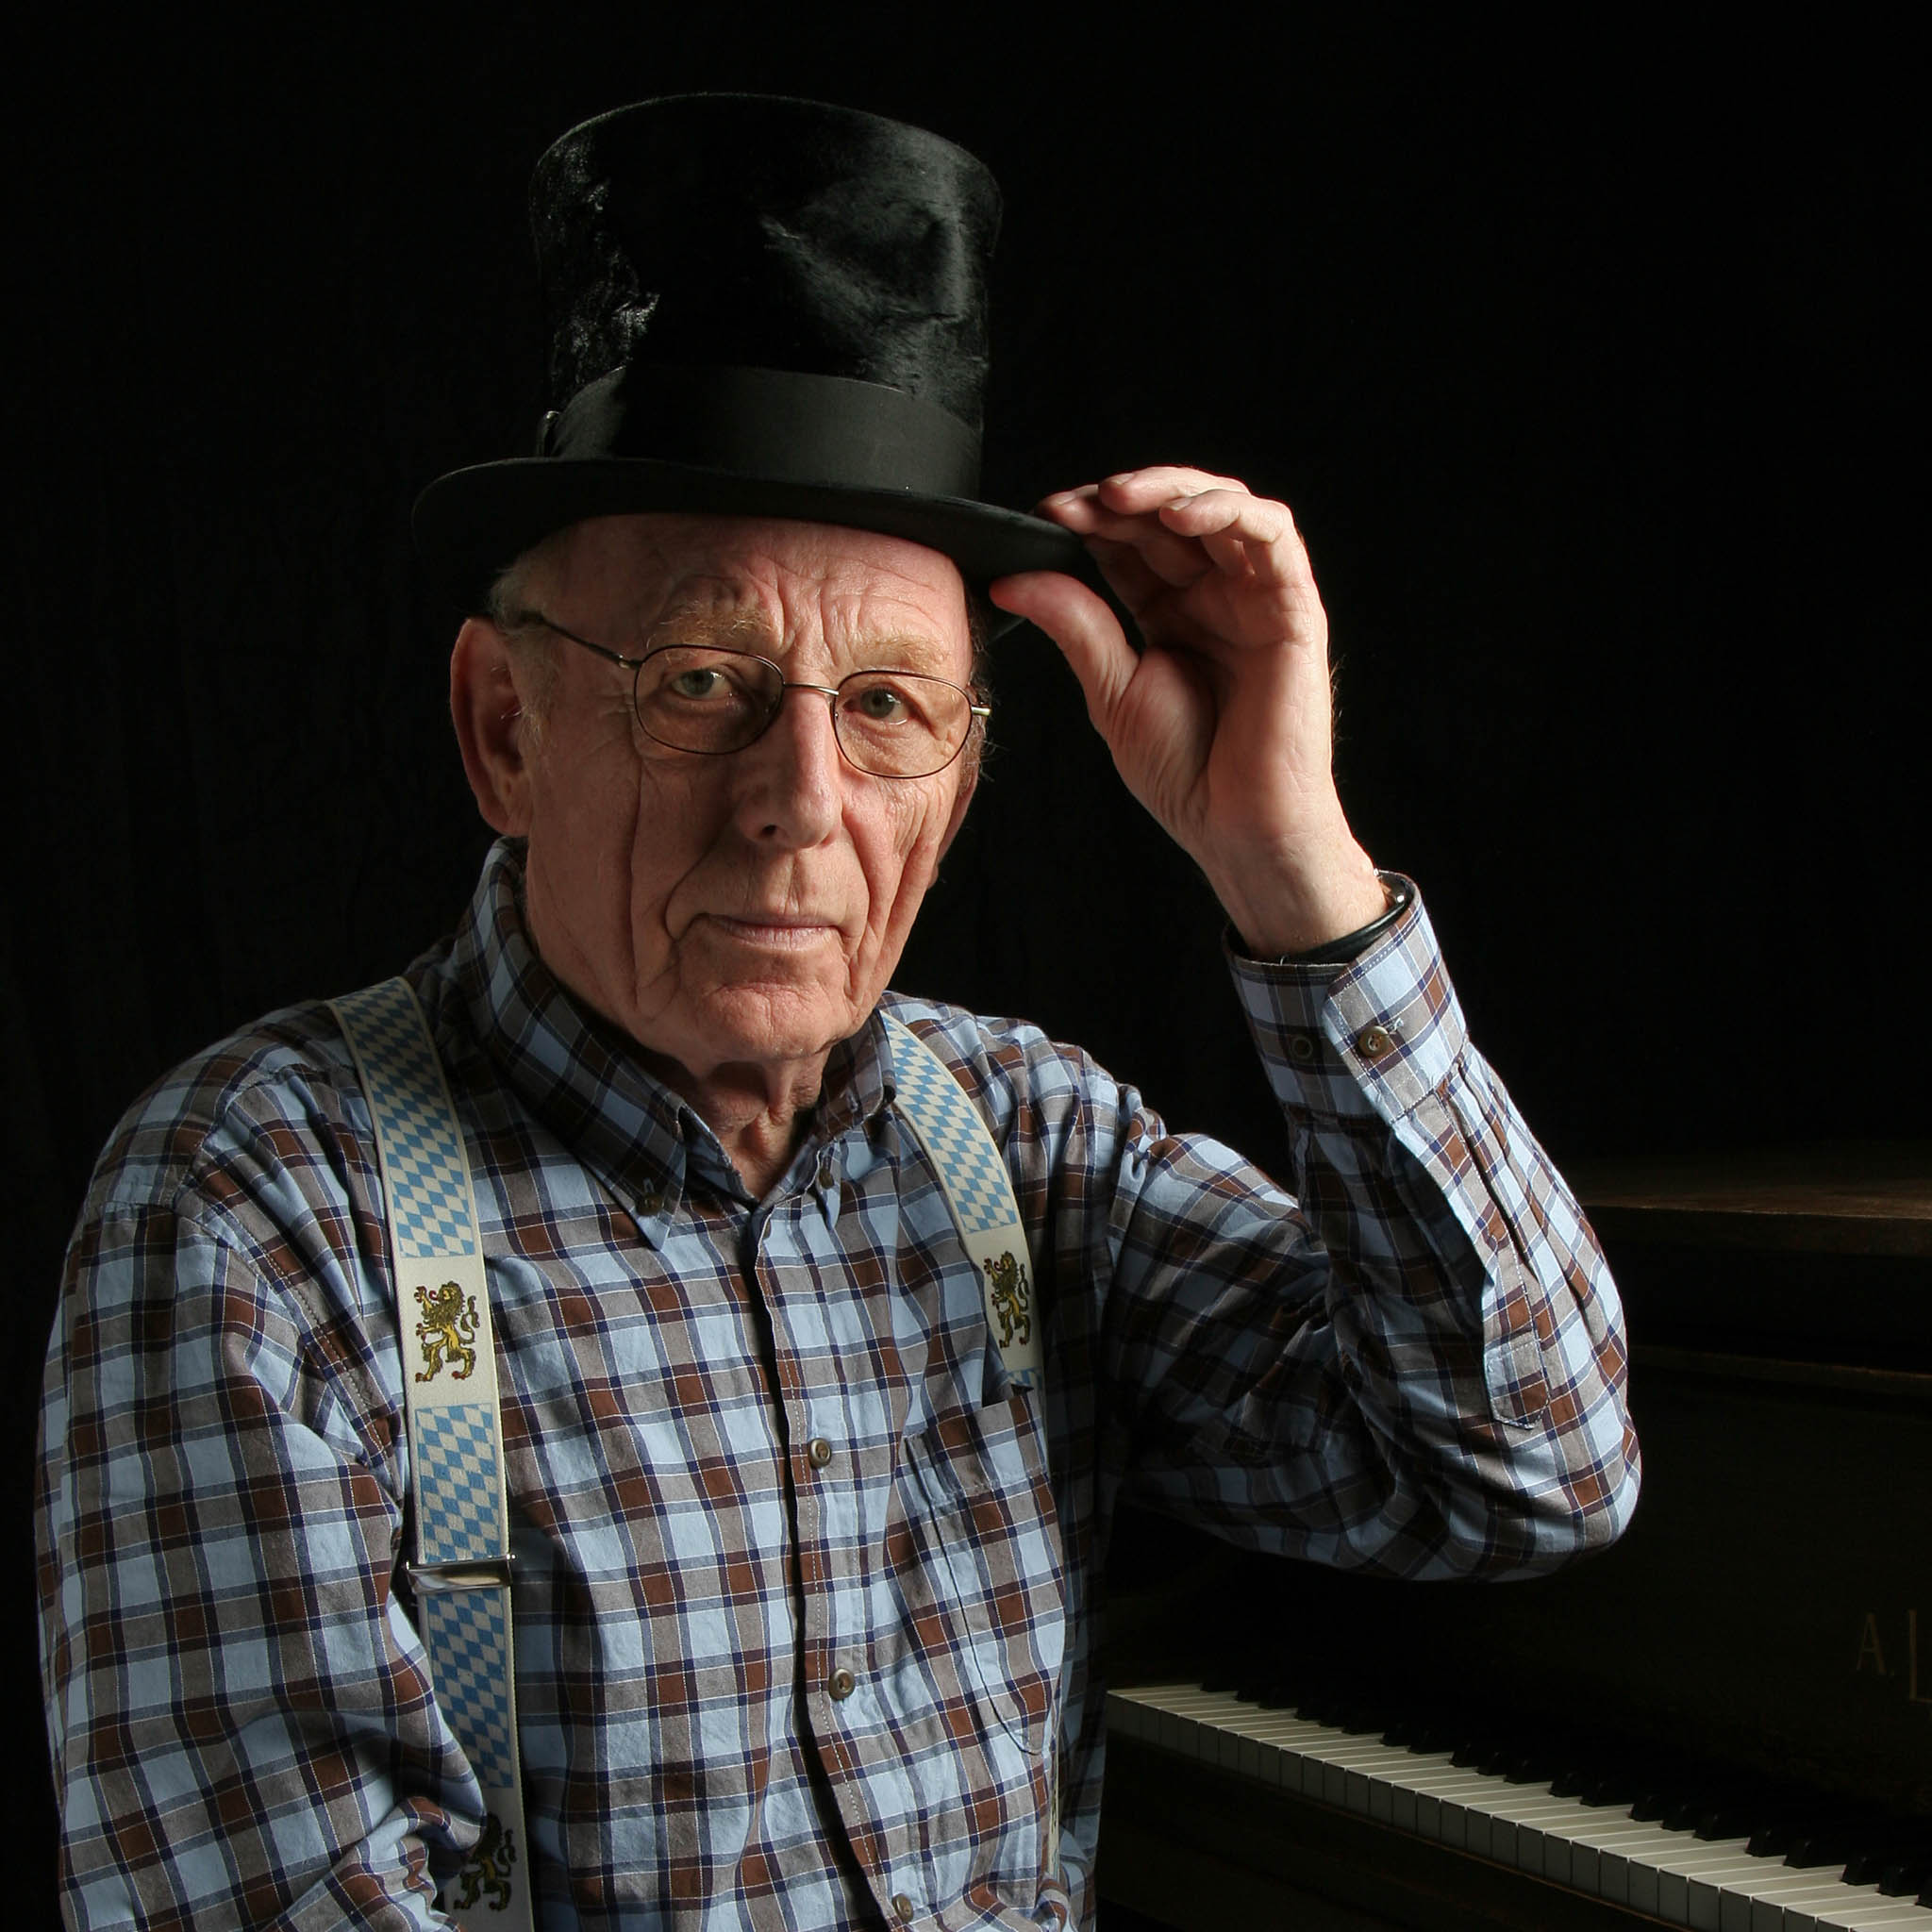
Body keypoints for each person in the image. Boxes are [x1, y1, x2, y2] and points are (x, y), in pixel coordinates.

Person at [36, 94, 1639, 1931]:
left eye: (885, 705)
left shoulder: (1021, 1147)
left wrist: (1292, 868)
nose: (798, 799)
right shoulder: (261, 1203)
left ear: (957, 786)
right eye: (702, 680)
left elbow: (1525, 1462)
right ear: (503, 728)